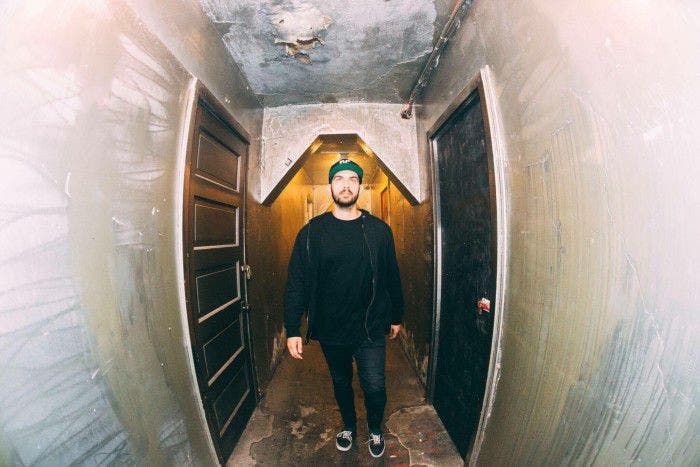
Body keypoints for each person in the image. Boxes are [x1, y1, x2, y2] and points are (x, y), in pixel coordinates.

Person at [284, 158, 404, 458]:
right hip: (331, 328)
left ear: (360, 186)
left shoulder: (379, 231)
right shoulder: (311, 233)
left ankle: (374, 429)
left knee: (374, 386)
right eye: (339, 179)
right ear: (331, 186)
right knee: (341, 382)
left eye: (352, 179)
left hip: (370, 327)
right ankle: (349, 426)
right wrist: (293, 328)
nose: (346, 185)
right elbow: (297, 281)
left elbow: (392, 275)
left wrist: (397, 316)